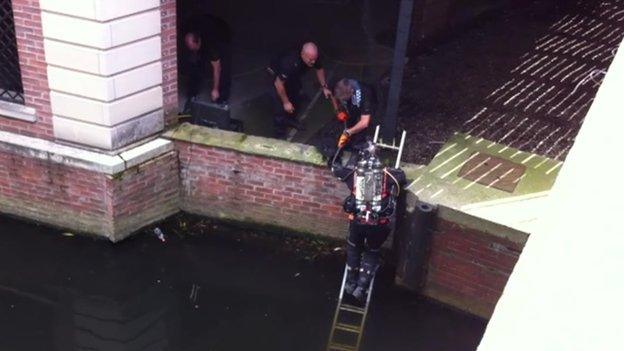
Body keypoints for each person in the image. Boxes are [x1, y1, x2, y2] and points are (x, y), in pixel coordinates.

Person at [332, 142, 406, 300]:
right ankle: (362, 287)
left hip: (358, 222)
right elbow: (402, 178)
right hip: (378, 225)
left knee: (353, 248)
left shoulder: (352, 174)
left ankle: (350, 283)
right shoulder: (389, 175)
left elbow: (335, 169)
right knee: (372, 251)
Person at [267, 42, 332, 139]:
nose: (313, 62)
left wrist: (324, 87)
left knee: (296, 97)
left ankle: (291, 119)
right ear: (303, 55)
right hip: (278, 78)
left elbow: (319, 69)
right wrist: (286, 102)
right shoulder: (289, 62)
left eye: (314, 59)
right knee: (279, 106)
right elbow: (278, 83)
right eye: (310, 60)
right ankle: (279, 133)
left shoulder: (313, 57)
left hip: (294, 75)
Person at [181, 13, 231, 113]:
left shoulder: (212, 44)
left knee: (225, 69)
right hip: (203, 25)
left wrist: (215, 89)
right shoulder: (189, 28)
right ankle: (192, 94)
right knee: (195, 65)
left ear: (198, 42)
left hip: (222, 33)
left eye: (195, 48)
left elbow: (217, 68)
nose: (193, 51)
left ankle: (221, 99)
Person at [332, 78, 376, 151]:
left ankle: (363, 145)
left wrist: (348, 133)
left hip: (368, 107)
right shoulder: (340, 85)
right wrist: (338, 110)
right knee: (348, 122)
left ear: (351, 92)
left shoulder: (365, 95)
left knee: (360, 128)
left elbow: (364, 123)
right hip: (352, 105)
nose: (341, 101)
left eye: (343, 99)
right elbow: (332, 95)